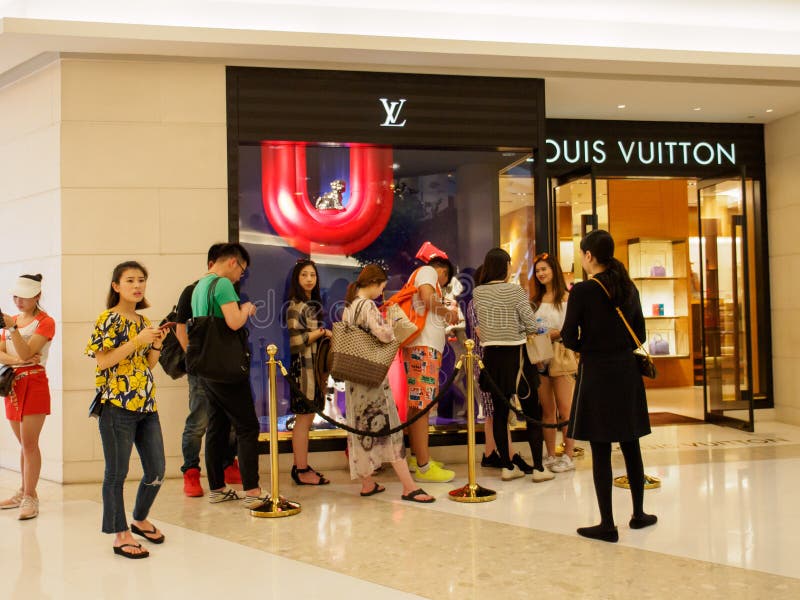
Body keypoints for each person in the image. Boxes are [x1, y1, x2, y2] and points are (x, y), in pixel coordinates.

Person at [562, 229, 657, 543]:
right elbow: (639, 334)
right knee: (631, 443)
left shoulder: (583, 291)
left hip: (597, 372)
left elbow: (568, 335)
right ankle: (639, 513)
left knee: (600, 447)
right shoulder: (628, 287)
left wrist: (587, 344)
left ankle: (607, 523)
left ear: (589, 256)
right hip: (627, 371)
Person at [85, 261, 167, 559]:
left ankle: (140, 517)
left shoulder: (145, 323)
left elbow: (146, 366)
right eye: (130, 280)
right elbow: (103, 361)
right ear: (116, 286)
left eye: (142, 280)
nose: (137, 285)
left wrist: (156, 344)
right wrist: (137, 341)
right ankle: (120, 534)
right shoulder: (107, 319)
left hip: (146, 403)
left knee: (157, 469)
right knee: (117, 472)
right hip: (116, 405)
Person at [342, 265, 434, 503]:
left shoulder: (349, 307)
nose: (382, 292)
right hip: (372, 378)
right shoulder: (366, 305)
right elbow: (383, 335)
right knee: (390, 428)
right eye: (382, 287)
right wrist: (393, 324)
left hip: (355, 378)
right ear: (374, 282)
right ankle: (409, 486)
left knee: (361, 430)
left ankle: (367, 483)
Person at [190, 243, 268, 508]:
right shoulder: (222, 284)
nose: (240, 277)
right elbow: (234, 321)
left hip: (207, 368)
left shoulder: (200, 286)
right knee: (247, 426)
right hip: (227, 370)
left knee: (217, 425)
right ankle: (253, 491)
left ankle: (217, 488)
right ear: (234, 262)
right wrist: (246, 308)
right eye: (242, 271)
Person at [473, 248, 553, 483]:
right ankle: (538, 468)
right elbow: (530, 325)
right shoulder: (515, 290)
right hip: (518, 356)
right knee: (531, 412)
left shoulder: (478, 293)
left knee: (499, 413)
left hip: (492, 357)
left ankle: (507, 467)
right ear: (506, 266)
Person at [174, 243, 240, 497]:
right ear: (214, 263)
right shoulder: (193, 290)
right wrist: (197, 358)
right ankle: (191, 472)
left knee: (230, 419)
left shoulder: (228, 288)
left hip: (226, 366)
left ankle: (227, 464)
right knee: (199, 420)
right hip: (201, 367)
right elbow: (180, 329)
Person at [0, 274, 56, 520]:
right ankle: (24, 490)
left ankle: (30, 496)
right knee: (24, 443)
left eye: (24, 296)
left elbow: (28, 350)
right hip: (12, 383)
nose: (18, 301)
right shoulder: (11, 321)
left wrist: (12, 328)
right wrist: (19, 360)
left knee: (30, 443)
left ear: (37, 296)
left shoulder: (45, 322)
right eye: (15, 296)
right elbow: (3, 355)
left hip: (34, 382)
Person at [402, 254, 459, 483]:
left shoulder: (424, 275)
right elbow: (427, 299)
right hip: (422, 349)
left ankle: (418, 458)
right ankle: (424, 467)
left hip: (421, 348)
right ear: (443, 272)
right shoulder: (428, 272)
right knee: (423, 406)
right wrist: (448, 313)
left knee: (418, 405)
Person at [285, 258, 331, 485]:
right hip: (302, 370)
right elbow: (296, 342)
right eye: (304, 275)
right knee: (303, 420)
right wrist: (322, 333)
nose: (309, 279)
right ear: (296, 278)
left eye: (312, 275)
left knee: (307, 418)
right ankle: (301, 470)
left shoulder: (310, 305)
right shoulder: (296, 305)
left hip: (311, 370)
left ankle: (300, 465)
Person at [531, 252, 576, 473]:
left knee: (565, 409)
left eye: (544, 269)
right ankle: (549, 454)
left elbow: (571, 329)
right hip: (540, 355)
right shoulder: (535, 301)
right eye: (538, 270)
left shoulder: (567, 298)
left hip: (561, 353)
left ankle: (568, 454)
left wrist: (551, 334)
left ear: (554, 271)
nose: (541, 274)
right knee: (547, 409)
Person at [464, 266, 502, 469]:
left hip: (491, 361)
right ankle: (490, 452)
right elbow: (481, 332)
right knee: (491, 409)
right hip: (485, 361)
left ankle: (493, 451)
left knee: (494, 409)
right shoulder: (476, 302)